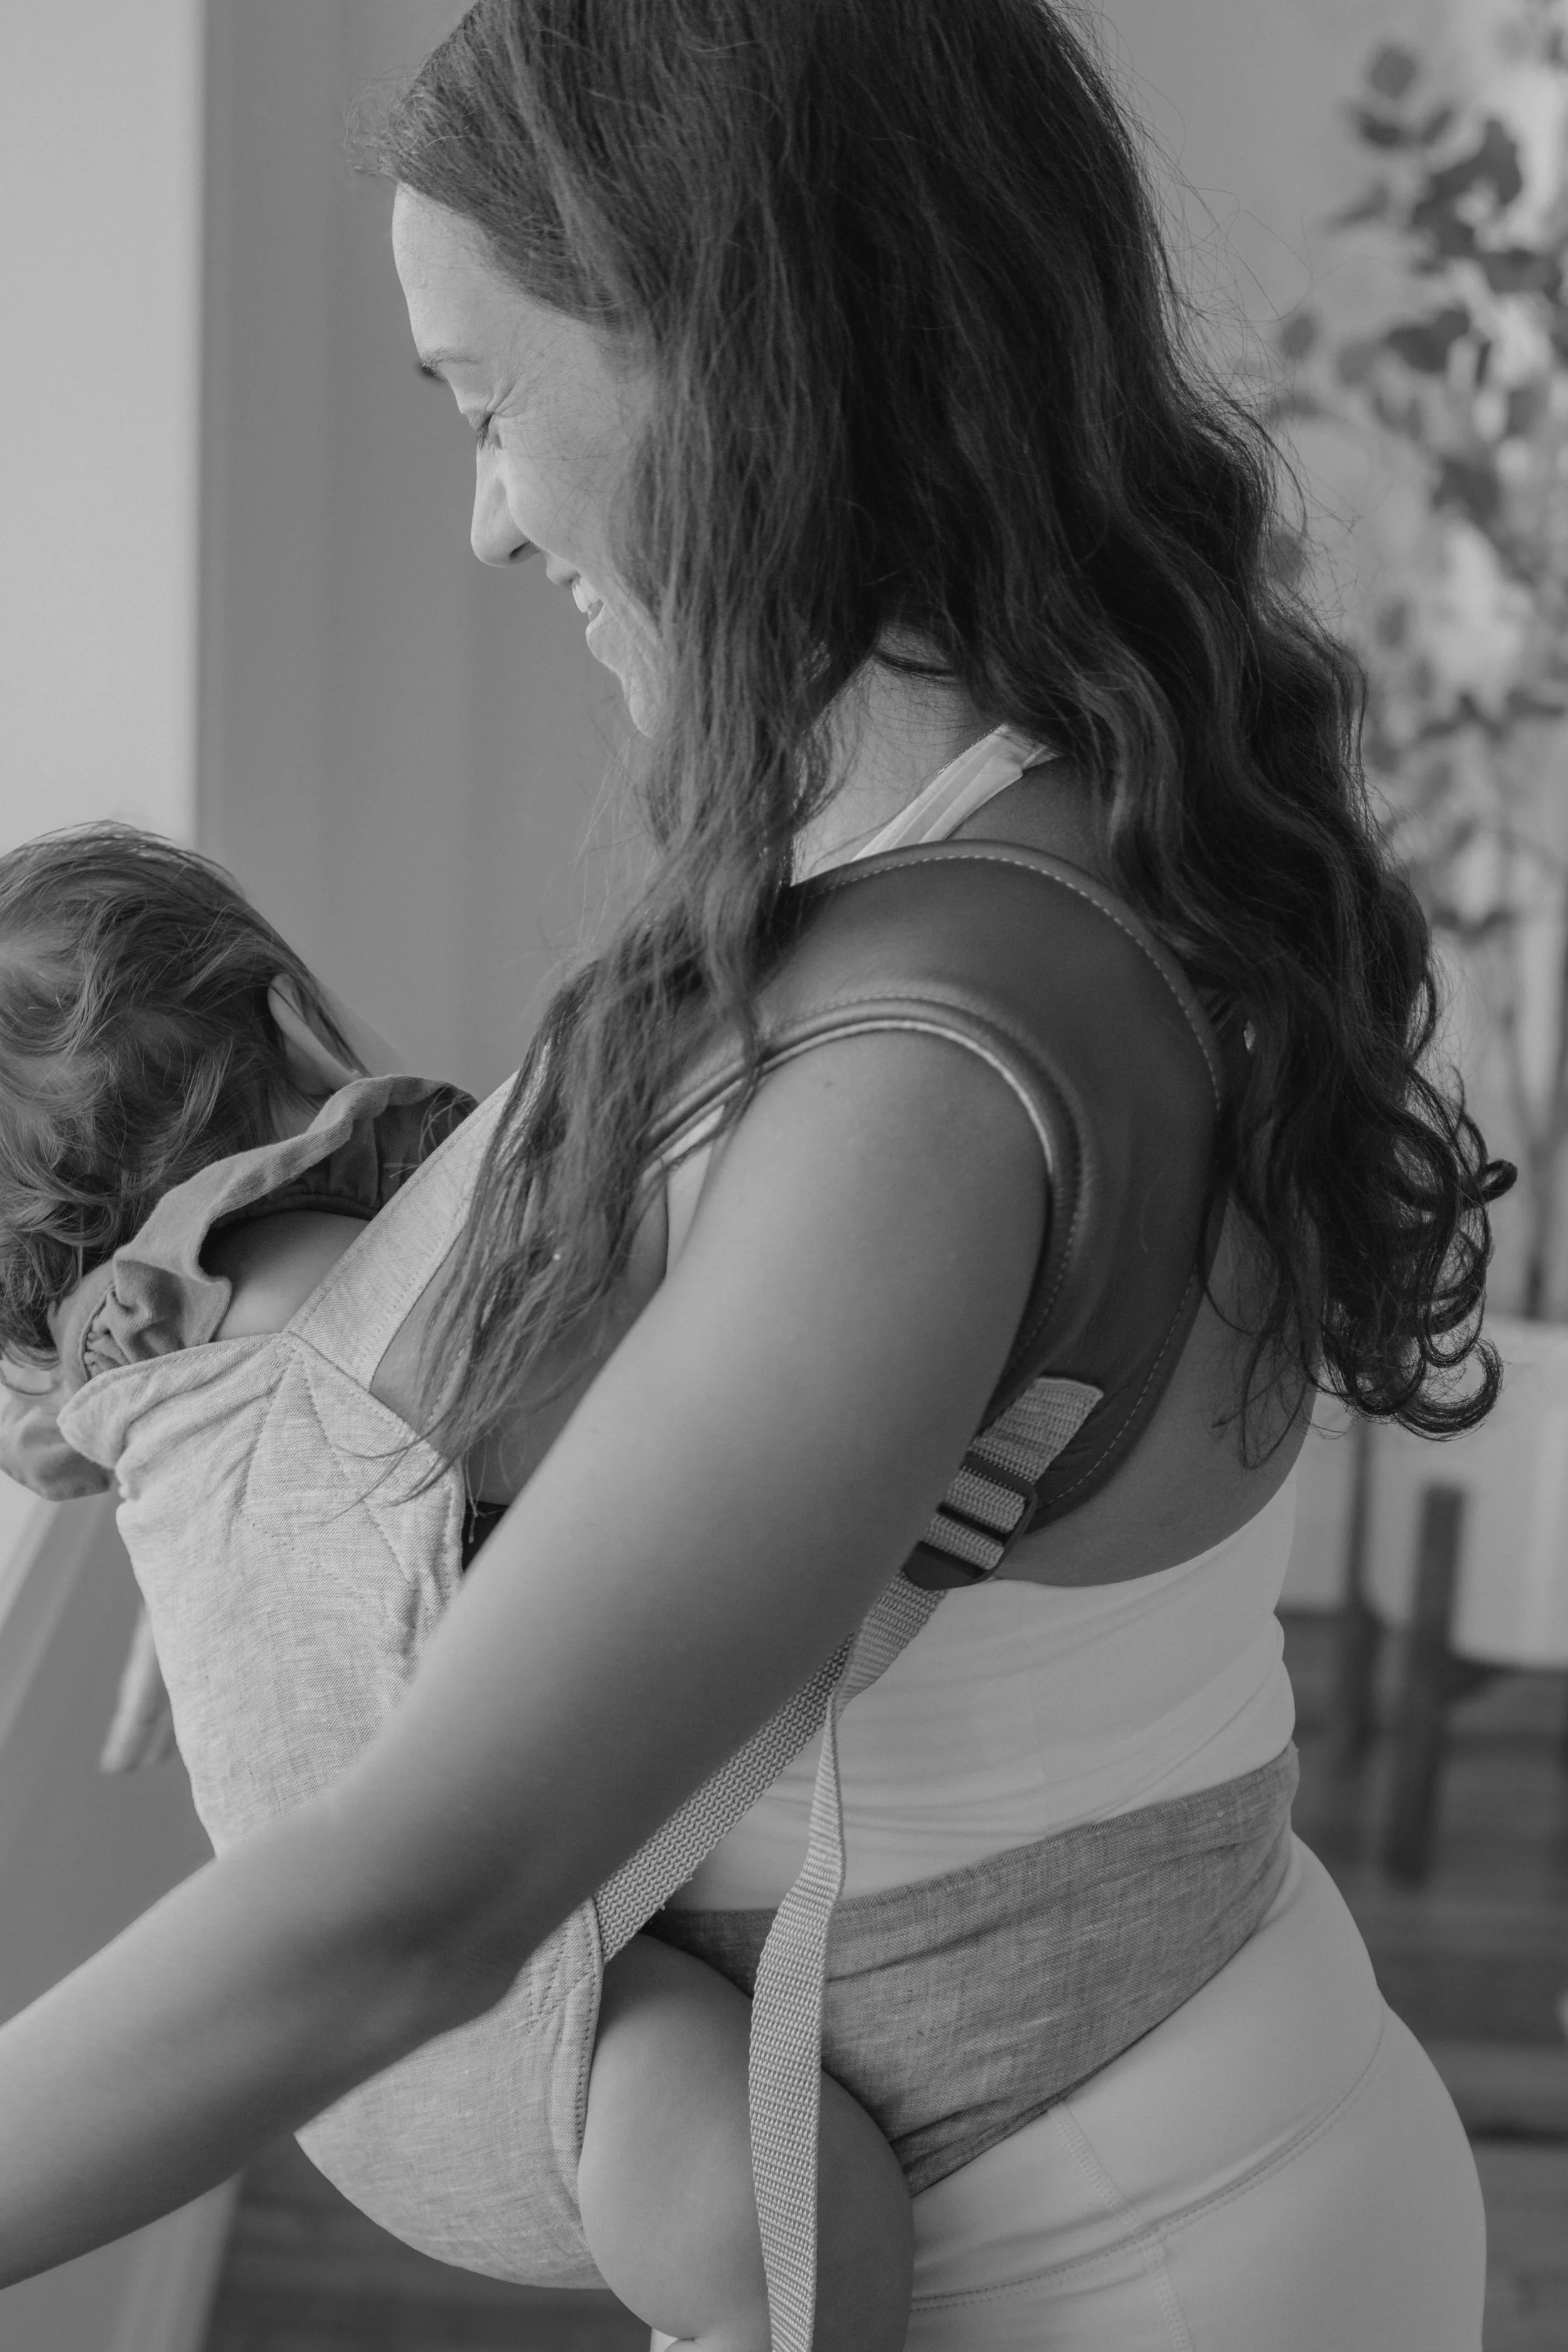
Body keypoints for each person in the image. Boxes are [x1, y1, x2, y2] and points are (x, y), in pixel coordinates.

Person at [0, 3, 1508, 2344]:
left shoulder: (926, 1061)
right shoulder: (1035, 822)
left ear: (738, 355)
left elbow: (413, 1902)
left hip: (1117, 2267)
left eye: (491, 404)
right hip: (1192, 2135)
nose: (488, 515)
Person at [0, 824, 913, 2352]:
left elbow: (300, 1500)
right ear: (290, 1020)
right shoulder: (363, 1294)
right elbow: (581, 1419)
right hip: (509, 2034)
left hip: (338, 2066)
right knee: (799, 2238)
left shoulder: (158, 1370)